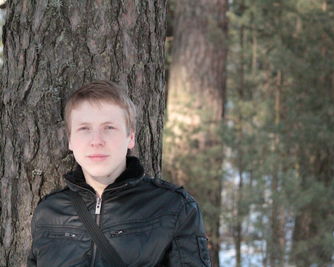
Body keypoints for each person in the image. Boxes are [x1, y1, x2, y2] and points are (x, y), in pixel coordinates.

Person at [27, 80, 211, 266]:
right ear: (70, 141)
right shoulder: (48, 212)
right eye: (84, 128)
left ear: (130, 137)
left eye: (109, 128)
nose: (96, 141)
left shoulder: (175, 208)